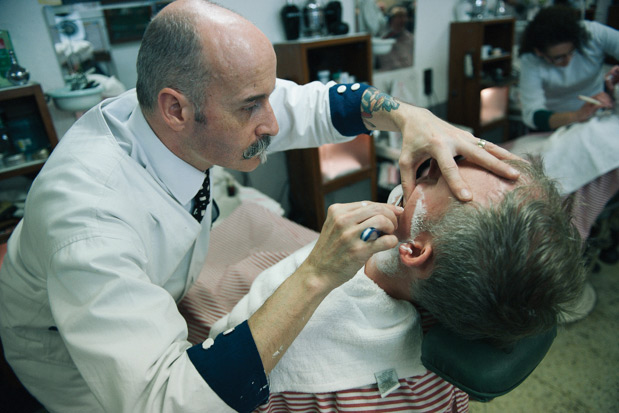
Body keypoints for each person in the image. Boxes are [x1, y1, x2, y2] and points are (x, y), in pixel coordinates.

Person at [0, 1, 520, 412]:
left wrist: (411, 116)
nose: (273, 122)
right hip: (64, 352)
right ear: (175, 108)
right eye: (252, 106)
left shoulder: (179, 111)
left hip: (157, 284)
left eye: (268, 96)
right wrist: (315, 276)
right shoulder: (89, 221)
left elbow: (318, 103)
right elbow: (162, 400)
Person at [210, 155, 586, 411]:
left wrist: (314, 270)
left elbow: (222, 356)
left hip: (239, 297)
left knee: (247, 222)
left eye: (433, 179)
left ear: (413, 251)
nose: (437, 162)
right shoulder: (461, 294)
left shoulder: (330, 374)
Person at [518, 5, 619, 131]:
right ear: (539, 52)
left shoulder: (593, 33)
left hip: (597, 118)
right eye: (558, 58)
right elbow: (532, 114)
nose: (568, 61)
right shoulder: (530, 60)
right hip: (557, 124)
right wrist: (577, 115)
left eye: (572, 52)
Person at [376, 5, 415, 71]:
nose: (403, 20)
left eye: (404, 16)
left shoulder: (411, 39)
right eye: (399, 16)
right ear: (391, 19)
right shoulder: (382, 42)